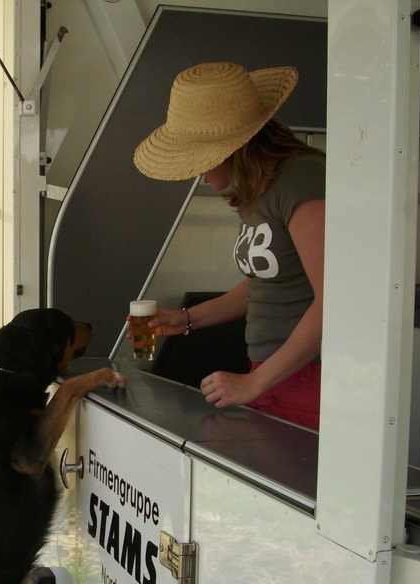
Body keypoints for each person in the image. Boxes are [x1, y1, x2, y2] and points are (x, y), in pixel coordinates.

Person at [132, 61, 325, 431]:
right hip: (273, 372)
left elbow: (335, 299)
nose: (200, 173)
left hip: (309, 377)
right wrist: (187, 319)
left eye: (202, 158)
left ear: (234, 147)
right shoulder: (261, 188)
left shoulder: (302, 179)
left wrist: (255, 382)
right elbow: (264, 286)